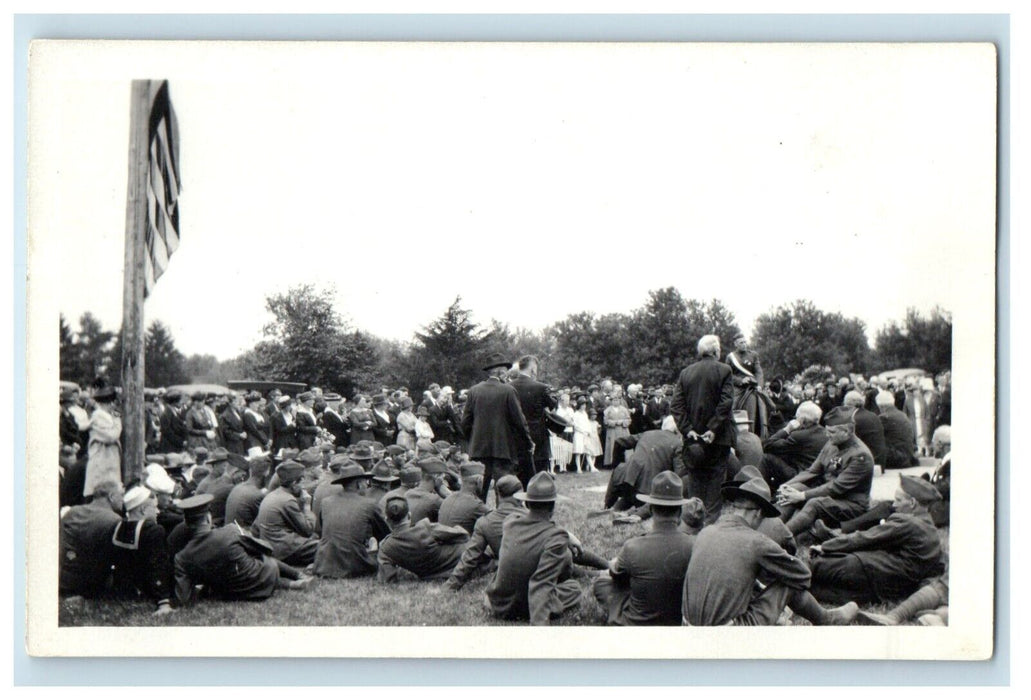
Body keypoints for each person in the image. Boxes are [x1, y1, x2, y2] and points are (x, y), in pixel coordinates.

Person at [683, 476, 857, 626]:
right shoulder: (756, 541)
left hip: (689, 628)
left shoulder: (706, 532)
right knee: (788, 582)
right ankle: (826, 619)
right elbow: (803, 576)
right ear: (758, 514)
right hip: (728, 633)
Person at [808, 475, 945, 605]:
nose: (894, 505)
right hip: (891, 589)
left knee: (817, 566)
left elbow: (865, 538)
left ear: (912, 503)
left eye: (898, 500)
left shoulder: (908, 522)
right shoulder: (930, 528)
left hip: (870, 572)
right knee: (824, 590)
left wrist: (826, 546)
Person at [592, 472, 696, 625]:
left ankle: (616, 616)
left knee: (602, 583)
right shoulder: (694, 546)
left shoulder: (633, 546)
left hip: (637, 623)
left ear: (652, 510)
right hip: (676, 619)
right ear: (680, 512)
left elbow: (616, 575)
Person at [174, 494, 311, 606]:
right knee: (261, 556)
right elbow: (265, 548)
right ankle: (297, 576)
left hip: (228, 593)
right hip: (261, 576)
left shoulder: (182, 557)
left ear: (186, 523)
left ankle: (292, 583)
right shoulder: (230, 531)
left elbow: (184, 598)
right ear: (208, 518)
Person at [485, 472, 583, 626]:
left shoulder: (509, 522)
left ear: (527, 503)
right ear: (553, 505)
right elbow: (541, 583)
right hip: (525, 607)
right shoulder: (556, 536)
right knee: (574, 588)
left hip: (498, 603)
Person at [776, 406, 875, 540]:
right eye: (828, 431)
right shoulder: (832, 443)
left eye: (832, 432)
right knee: (792, 489)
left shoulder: (860, 455)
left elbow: (836, 487)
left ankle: (780, 538)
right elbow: (812, 471)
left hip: (851, 505)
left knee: (815, 503)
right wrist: (786, 485)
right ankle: (772, 528)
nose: (827, 435)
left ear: (847, 431)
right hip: (830, 498)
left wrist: (802, 495)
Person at [670, 335, 736, 524]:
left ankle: (693, 523)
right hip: (719, 438)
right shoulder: (725, 370)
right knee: (715, 482)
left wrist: (687, 430)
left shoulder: (686, 373)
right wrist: (713, 429)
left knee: (696, 481)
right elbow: (726, 403)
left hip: (693, 440)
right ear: (716, 351)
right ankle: (710, 523)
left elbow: (676, 406)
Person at [461, 352, 534, 501]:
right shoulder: (508, 390)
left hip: (479, 450)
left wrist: (473, 440)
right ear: (500, 372)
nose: (507, 375)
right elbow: (520, 421)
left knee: (477, 490)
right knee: (504, 490)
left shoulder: (474, 391)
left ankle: (475, 517)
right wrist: (528, 442)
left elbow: (465, 422)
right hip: (502, 449)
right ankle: (502, 518)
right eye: (505, 372)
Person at [446, 475, 526, 590]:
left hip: (510, 574)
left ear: (498, 495)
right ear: (519, 496)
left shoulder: (485, 522)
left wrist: (450, 586)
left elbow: (470, 556)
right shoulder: (530, 516)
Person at [313, 463, 390, 579]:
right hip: (353, 565)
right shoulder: (369, 504)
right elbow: (385, 536)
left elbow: (322, 530)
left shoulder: (326, 502)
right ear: (359, 484)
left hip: (323, 564)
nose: (367, 485)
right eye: (365, 482)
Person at [111, 486, 174, 615]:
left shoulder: (118, 526)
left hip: (126, 591)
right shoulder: (153, 530)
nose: (157, 512)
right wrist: (164, 602)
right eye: (154, 507)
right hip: (149, 589)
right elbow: (158, 565)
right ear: (143, 509)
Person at [601, 424, 683, 522]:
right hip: (649, 486)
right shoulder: (678, 443)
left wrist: (616, 465)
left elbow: (619, 442)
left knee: (630, 496)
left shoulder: (647, 434)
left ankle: (611, 508)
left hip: (627, 478)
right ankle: (636, 515)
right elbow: (678, 474)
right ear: (677, 431)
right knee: (657, 499)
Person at [377, 496, 470, 582]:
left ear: (387, 520)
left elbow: (387, 577)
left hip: (433, 576)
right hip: (464, 563)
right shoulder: (426, 528)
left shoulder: (386, 548)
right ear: (409, 515)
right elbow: (463, 535)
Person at [59, 479, 123, 596]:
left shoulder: (72, 512)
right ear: (112, 496)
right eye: (122, 495)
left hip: (62, 579)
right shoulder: (114, 519)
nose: (123, 500)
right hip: (88, 586)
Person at [252, 460, 319, 567]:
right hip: (285, 552)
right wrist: (307, 505)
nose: (303, 486)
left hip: (271, 548)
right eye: (301, 481)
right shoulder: (288, 500)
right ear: (294, 483)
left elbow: (255, 528)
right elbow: (308, 530)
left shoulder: (272, 495)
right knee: (326, 547)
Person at [509, 355, 559, 483]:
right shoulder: (541, 387)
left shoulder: (508, 387)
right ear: (532, 369)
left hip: (516, 436)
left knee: (519, 473)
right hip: (539, 436)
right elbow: (553, 407)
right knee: (539, 473)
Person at [758, 401, 829, 492]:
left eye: (796, 418)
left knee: (767, 458)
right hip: (817, 478)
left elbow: (767, 445)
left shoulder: (799, 436)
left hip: (801, 476)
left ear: (802, 419)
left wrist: (787, 429)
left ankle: (761, 491)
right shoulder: (824, 433)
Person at [725, 335, 769, 439]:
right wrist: (740, 380)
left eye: (745, 342)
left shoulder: (753, 355)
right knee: (732, 406)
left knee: (765, 404)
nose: (744, 345)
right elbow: (728, 374)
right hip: (738, 388)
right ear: (735, 344)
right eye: (741, 343)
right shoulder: (730, 357)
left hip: (752, 387)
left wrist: (759, 385)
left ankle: (762, 432)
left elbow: (758, 372)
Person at [83, 387, 122, 499]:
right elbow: (112, 436)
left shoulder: (108, 417)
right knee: (99, 490)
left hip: (107, 461)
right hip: (100, 462)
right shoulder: (98, 417)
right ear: (109, 403)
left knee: (108, 490)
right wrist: (118, 422)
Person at [438, 461, 491, 534]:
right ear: (479, 481)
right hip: (460, 543)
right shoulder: (476, 505)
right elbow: (496, 522)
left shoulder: (448, 498)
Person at [224, 456, 270, 533]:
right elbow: (265, 523)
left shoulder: (237, 488)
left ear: (250, 471)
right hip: (243, 539)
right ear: (266, 473)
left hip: (230, 535)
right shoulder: (257, 495)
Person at [842, 390, 888, 467]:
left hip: (867, 463)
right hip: (880, 461)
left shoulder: (854, 419)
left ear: (849, 405)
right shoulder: (873, 415)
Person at [193, 447, 236, 526]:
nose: (228, 469)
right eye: (225, 466)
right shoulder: (207, 483)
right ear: (215, 465)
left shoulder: (220, 479)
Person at [876, 390, 918, 469]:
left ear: (881, 406)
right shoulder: (902, 415)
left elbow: (876, 440)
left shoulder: (884, 417)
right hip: (908, 456)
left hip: (897, 458)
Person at [405, 456, 449, 523]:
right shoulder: (435, 500)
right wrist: (444, 492)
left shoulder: (407, 493)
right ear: (436, 476)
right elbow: (454, 508)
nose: (443, 479)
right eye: (442, 476)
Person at [602, 396, 632, 468]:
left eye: (617, 400)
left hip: (623, 430)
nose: (616, 402)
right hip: (612, 431)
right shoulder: (607, 410)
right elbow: (605, 421)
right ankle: (612, 463)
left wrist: (622, 422)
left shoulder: (624, 409)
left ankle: (626, 461)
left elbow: (629, 420)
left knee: (624, 445)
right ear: (611, 401)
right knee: (612, 445)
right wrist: (614, 423)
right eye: (614, 400)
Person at [242, 392, 271, 457]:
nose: (258, 405)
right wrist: (265, 441)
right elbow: (255, 430)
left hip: (259, 441)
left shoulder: (257, 414)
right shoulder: (248, 414)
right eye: (256, 403)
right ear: (250, 404)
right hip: (253, 442)